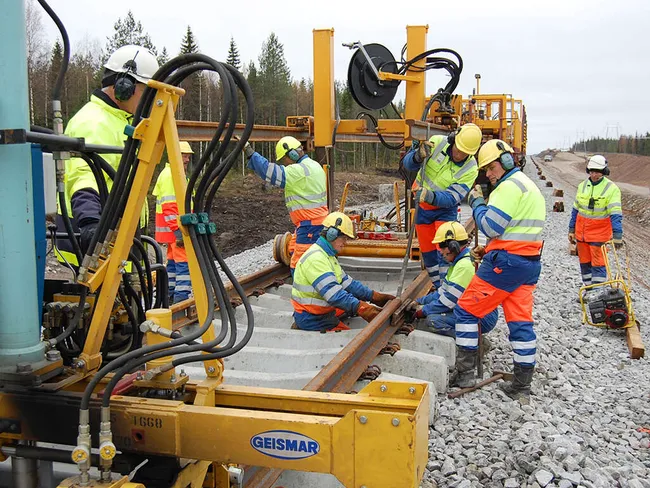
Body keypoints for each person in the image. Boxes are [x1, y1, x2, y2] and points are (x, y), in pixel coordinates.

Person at [452, 140, 545, 401]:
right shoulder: (529, 187)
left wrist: (478, 202)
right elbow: (515, 231)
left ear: (505, 162)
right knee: (520, 323)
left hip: (506, 264)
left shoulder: (507, 188)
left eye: (491, 168)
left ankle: (466, 373)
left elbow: (492, 226)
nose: (489, 175)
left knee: (466, 311)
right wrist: (492, 248)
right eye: (486, 170)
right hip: (527, 264)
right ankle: (521, 387)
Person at [55, 45, 159, 267]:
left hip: (117, 245)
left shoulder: (121, 120)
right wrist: (92, 223)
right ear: (124, 86)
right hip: (96, 251)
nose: (148, 102)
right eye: (146, 92)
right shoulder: (94, 122)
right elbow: (82, 176)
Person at [403, 123, 482, 287]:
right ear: (453, 139)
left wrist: (429, 196)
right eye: (458, 149)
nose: (459, 155)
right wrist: (417, 156)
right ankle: (438, 286)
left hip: (445, 211)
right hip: (422, 208)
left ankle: (447, 286)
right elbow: (408, 165)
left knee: (445, 251)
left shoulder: (471, 168)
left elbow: (452, 197)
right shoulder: (437, 142)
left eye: (465, 153)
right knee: (429, 253)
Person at [291, 212, 396, 331]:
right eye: (343, 238)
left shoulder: (328, 256)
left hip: (320, 311)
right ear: (331, 235)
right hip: (312, 318)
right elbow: (335, 296)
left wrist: (373, 296)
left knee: (349, 305)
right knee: (351, 339)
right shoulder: (316, 259)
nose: (345, 243)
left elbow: (349, 284)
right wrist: (362, 308)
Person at [241, 136, 328, 272]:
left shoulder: (298, 171)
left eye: (284, 159)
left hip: (310, 226)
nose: (286, 163)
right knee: (300, 252)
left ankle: (305, 292)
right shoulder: (315, 166)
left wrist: (249, 151)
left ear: (292, 153)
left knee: (300, 267)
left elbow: (268, 172)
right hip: (317, 223)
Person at [408, 221, 498, 338]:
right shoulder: (457, 264)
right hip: (474, 310)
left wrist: (422, 311)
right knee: (434, 313)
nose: (440, 251)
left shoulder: (464, 266)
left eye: (441, 246)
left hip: (484, 317)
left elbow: (448, 301)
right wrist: (420, 301)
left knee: (434, 320)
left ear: (453, 246)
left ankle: (472, 341)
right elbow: (442, 292)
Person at [568, 155, 622, 289]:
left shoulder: (611, 189)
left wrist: (617, 235)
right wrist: (571, 229)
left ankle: (598, 291)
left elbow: (615, 213)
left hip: (599, 234)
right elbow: (576, 209)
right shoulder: (582, 186)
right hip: (582, 234)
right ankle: (588, 288)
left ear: (604, 172)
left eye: (597, 172)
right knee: (585, 263)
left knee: (598, 264)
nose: (594, 174)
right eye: (591, 171)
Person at [152, 141, 194, 303]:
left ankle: (168, 297)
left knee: (172, 264)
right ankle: (181, 300)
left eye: (188, 156)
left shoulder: (172, 173)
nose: (187, 160)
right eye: (184, 156)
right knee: (184, 263)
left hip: (171, 232)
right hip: (176, 231)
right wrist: (179, 233)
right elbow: (170, 208)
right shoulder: (171, 176)